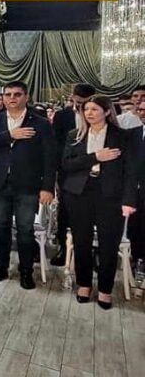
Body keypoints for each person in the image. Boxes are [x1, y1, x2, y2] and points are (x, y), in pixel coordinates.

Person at [0, 81, 57, 289]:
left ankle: (26, 271)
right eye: (8, 94)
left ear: (26, 97)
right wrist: (9, 136)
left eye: (17, 94)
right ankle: (1, 267)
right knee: (1, 226)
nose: (12, 98)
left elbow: (50, 158)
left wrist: (48, 187)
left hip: (28, 184)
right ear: (3, 97)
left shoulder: (40, 123)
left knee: (25, 229)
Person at [61, 95, 137, 309]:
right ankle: (84, 284)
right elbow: (66, 164)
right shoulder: (75, 135)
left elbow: (131, 172)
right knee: (81, 241)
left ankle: (105, 289)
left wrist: (129, 200)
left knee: (109, 244)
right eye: (86, 109)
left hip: (110, 195)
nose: (89, 113)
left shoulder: (122, 136)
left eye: (94, 109)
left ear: (107, 111)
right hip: (79, 193)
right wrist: (95, 157)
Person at [51, 83, 96, 265]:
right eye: (76, 102)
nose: (79, 106)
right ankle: (63, 247)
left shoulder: (99, 114)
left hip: (94, 172)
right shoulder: (63, 116)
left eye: (83, 102)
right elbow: (56, 146)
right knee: (65, 211)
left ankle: (92, 251)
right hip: (67, 171)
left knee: (92, 213)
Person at [129, 100, 145, 267]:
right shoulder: (133, 134)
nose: (142, 113)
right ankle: (137, 259)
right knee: (136, 227)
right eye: (140, 110)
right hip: (136, 190)